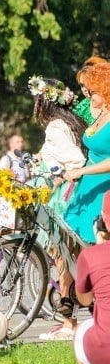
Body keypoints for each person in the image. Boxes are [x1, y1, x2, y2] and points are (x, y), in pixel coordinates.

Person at [28, 76, 86, 339]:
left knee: (62, 258)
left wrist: (59, 173)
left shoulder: (54, 127)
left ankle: (68, 322)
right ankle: (71, 317)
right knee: (67, 258)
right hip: (69, 194)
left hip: (62, 197)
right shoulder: (69, 123)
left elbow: (75, 159)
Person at [64, 63, 110, 246]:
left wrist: (82, 171)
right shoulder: (101, 113)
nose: (88, 93)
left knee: (96, 245)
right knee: (70, 241)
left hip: (104, 189)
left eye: (93, 90)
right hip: (87, 185)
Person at [72, 190, 110, 364]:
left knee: (82, 329)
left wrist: (98, 245)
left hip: (104, 352)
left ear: (103, 221)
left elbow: (85, 300)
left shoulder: (91, 256)